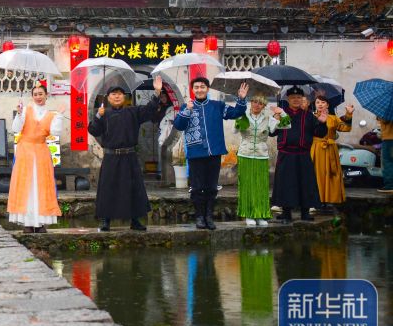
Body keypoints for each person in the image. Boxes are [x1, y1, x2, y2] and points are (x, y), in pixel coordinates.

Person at [89, 77, 166, 232]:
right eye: (113, 94)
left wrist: (157, 92)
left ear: (124, 97)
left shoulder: (133, 112)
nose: (117, 96)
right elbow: (93, 130)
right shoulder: (103, 114)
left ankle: (135, 220)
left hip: (129, 157)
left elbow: (149, 110)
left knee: (133, 188)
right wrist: (98, 116)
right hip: (111, 157)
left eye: (120, 94)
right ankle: (105, 220)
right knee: (107, 188)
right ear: (108, 98)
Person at [172, 77, 249, 230]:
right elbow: (179, 125)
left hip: (214, 152)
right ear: (193, 90)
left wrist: (241, 98)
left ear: (207, 89)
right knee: (196, 188)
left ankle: (209, 216)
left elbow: (236, 112)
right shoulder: (186, 107)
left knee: (212, 187)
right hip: (195, 153)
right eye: (196, 87)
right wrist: (186, 110)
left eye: (202, 87)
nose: (199, 89)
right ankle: (199, 217)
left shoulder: (217, 105)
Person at [7, 80, 63, 233]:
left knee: (42, 185)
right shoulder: (25, 110)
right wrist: (19, 114)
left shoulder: (51, 114)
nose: (38, 97)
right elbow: (15, 129)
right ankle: (27, 222)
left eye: (41, 94)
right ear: (32, 96)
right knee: (26, 185)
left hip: (41, 152)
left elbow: (56, 132)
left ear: (46, 95)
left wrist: (59, 117)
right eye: (35, 94)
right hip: (25, 151)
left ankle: (41, 222)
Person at [270, 87, 328, 223]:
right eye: (293, 98)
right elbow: (271, 133)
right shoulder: (282, 114)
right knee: (286, 183)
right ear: (288, 99)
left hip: (303, 154)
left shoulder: (308, 116)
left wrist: (323, 123)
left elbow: (319, 133)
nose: (296, 100)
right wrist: (275, 118)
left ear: (302, 99)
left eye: (298, 98)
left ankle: (305, 212)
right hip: (286, 154)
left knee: (305, 183)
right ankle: (286, 213)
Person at [234, 94, 287, 226]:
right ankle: (249, 214)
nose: (257, 105)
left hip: (261, 154)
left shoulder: (268, 119)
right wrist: (240, 118)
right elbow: (236, 129)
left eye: (260, 103)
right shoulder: (243, 115)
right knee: (247, 186)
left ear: (264, 106)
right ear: (250, 102)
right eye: (254, 102)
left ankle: (260, 215)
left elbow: (286, 126)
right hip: (245, 154)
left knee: (261, 186)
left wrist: (282, 113)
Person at [310, 96, 354, 212]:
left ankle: (328, 200)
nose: (320, 104)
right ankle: (315, 201)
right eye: (317, 102)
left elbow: (345, 128)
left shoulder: (333, 118)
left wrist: (348, 115)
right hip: (316, 148)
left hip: (330, 149)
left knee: (330, 174)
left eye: (323, 102)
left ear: (327, 105)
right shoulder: (311, 117)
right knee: (317, 174)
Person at [378, 117, 393, 194]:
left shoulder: (388, 109)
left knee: (388, 161)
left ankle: (390, 185)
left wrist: (379, 116)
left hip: (389, 139)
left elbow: (385, 120)